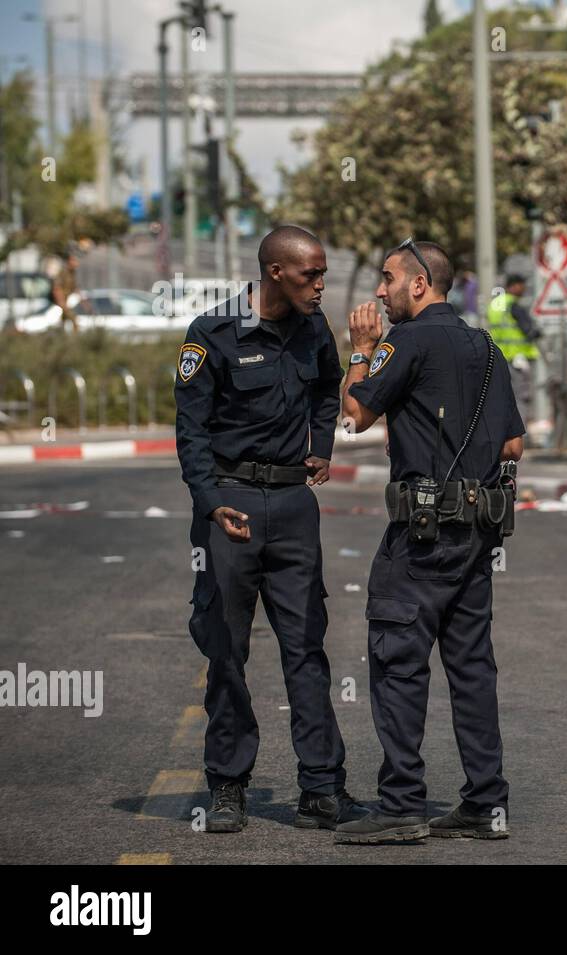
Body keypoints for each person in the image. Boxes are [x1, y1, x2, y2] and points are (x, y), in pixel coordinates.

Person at [334, 239, 524, 844]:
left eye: (388, 279)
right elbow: (513, 446)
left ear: (420, 285)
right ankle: (485, 804)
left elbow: (356, 414)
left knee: (397, 660)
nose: (380, 291)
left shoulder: (407, 340)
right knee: (471, 667)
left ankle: (401, 806)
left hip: (420, 538)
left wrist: (360, 352)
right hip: (477, 532)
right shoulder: (485, 347)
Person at [174, 225, 360, 834]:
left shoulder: (313, 329)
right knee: (227, 649)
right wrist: (208, 502)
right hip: (232, 506)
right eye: (312, 275)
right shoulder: (214, 331)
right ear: (276, 272)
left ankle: (321, 787)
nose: (321, 286)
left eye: (324, 274)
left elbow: (330, 388)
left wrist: (322, 445)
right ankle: (228, 786)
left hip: (292, 503)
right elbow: (192, 431)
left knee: (306, 647)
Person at [486, 275, 541, 427]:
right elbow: (528, 330)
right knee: (521, 397)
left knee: (503, 396)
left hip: (499, 358)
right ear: (514, 286)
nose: (523, 289)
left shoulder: (494, 304)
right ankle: (518, 434)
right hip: (518, 358)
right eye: (522, 285)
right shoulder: (513, 305)